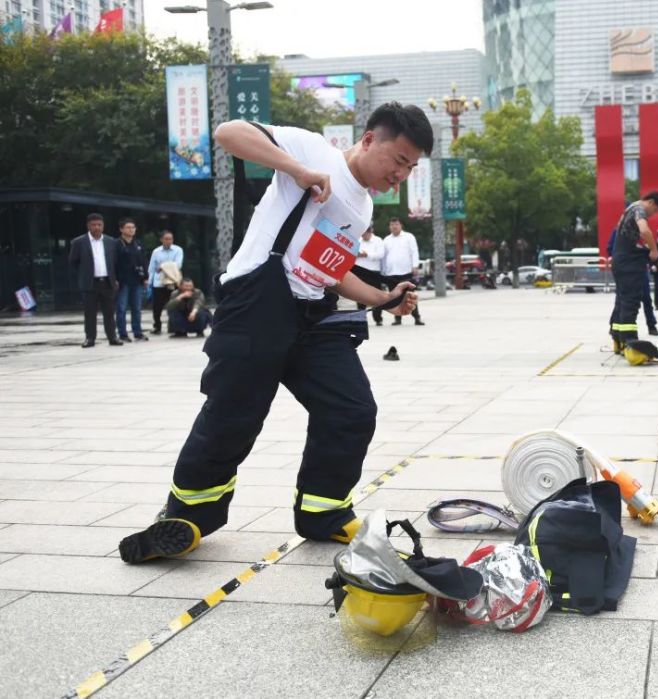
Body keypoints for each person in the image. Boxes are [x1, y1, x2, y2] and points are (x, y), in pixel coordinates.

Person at [117, 102, 428, 564]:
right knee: (234, 411)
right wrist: (297, 170)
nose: (400, 175)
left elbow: (333, 269)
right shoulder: (312, 150)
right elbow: (228, 132)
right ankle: (186, 515)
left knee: (352, 408)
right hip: (257, 301)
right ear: (368, 140)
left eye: (410, 168)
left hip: (313, 314)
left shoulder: (361, 209)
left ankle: (324, 510)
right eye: (398, 161)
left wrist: (384, 298)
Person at [608, 192, 658, 352]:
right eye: (655, 210)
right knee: (630, 301)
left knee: (621, 300)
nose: (653, 214)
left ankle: (618, 340)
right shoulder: (640, 209)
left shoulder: (630, 208)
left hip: (619, 259)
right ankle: (630, 342)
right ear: (652, 202)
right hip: (628, 263)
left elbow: (622, 231)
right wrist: (654, 250)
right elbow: (644, 230)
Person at [68, 213, 122, 348]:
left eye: (99, 225)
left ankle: (112, 337)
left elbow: (115, 262)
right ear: (88, 226)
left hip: (107, 282)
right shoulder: (79, 242)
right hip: (90, 283)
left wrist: (115, 279)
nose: (97, 227)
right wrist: (83, 276)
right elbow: (73, 262)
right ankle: (90, 338)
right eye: (94, 225)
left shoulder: (111, 242)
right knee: (90, 313)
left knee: (109, 312)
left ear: (103, 226)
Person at [382, 216, 423, 325]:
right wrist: (383, 271)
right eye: (392, 225)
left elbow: (414, 251)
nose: (394, 227)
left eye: (396, 224)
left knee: (410, 296)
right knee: (395, 297)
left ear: (401, 225)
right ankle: (397, 318)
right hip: (391, 273)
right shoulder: (386, 240)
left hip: (405, 272)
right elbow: (384, 257)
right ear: (389, 227)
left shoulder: (409, 237)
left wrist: (415, 266)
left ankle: (417, 317)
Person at [115, 217, 149, 342]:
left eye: (133, 227)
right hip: (123, 281)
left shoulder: (138, 244)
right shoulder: (116, 244)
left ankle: (137, 332)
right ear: (121, 229)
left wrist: (145, 277)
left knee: (137, 308)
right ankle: (122, 334)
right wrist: (115, 279)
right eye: (128, 227)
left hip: (137, 280)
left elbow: (144, 261)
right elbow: (113, 263)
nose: (131, 230)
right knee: (121, 308)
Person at [147, 230, 184, 335]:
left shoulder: (178, 250)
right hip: (159, 282)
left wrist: (162, 266)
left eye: (170, 239)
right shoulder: (156, 251)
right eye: (166, 239)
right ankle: (157, 326)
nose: (169, 241)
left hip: (173, 281)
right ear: (161, 240)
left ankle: (173, 326)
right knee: (157, 307)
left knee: (174, 304)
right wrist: (149, 282)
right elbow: (152, 268)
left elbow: (178, 265)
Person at [352, 223, 386, 326]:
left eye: (365, 234)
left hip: (373, 272)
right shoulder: (357, 240)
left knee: (376, 296)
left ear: (370, 231)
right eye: (362, 234)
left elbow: (381, 254)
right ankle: (361, 319)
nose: (363, 236)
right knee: (359, 296)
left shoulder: (378, 240)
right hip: (360, 272)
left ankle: (378, 318)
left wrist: (367, 255)